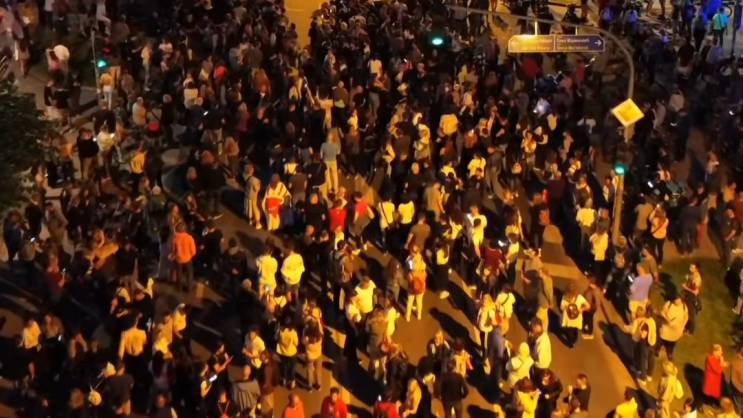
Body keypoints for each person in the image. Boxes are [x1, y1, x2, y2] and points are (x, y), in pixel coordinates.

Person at [658, 294, 689, 361]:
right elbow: (662, 312)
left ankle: (669, 353)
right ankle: (658, 350)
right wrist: (666, 318)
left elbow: (686, 318)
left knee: (671, 344)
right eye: (675, 299)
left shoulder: (684, 307)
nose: (675, 300)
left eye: (677, 299)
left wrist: (682, 326)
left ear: (681, 300)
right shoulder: (669, 303)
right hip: (666, 328)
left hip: (676, 331)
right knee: (661, 341)